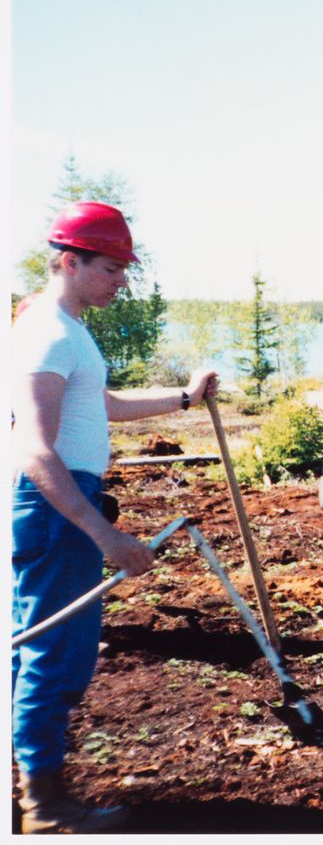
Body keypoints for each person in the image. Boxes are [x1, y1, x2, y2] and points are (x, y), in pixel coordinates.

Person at [11, 201, 218, 834]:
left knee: (43, 642)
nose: (121, 281)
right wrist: (104, 534)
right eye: (110, 268)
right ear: (70, 262)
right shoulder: (48, 331)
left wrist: (184, 398)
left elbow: (101, 406)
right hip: (54, 504)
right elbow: (33, 448)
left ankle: (31, 784)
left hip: (61, 500)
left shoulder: (65, 327)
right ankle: (43, 804)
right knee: (54, 647)